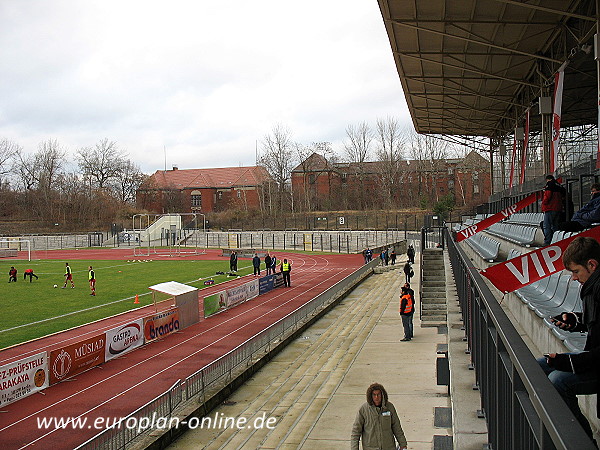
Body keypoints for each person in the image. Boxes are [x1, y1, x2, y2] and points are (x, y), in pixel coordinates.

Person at [538, 236, 600, 442]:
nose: (574, 278)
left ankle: (581, 441)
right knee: (540, 365)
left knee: (559, 380)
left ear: (592, 264)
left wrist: (569, 362)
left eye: (576, 271)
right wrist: (575, 321)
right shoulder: (592, 286)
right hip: (593, 357)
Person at [351, 382, 407, 450]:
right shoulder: (363, 410)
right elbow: (356, 432)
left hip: (389, 447)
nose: (376, 397)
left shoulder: (390, 407)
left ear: (382, 395)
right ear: (370, 396)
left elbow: (397, 427)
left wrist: (403, 444)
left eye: (378, 394)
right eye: (374, 395)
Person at [542, 174, 565, 245]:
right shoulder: (559, 185)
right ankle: (556, 241)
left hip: (550, 208)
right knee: (555, 226)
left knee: (547, 226)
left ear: (548, 179)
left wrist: (543, 203)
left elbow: (547, 196)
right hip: (558, 208)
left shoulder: (549, 185)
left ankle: (547, 242)